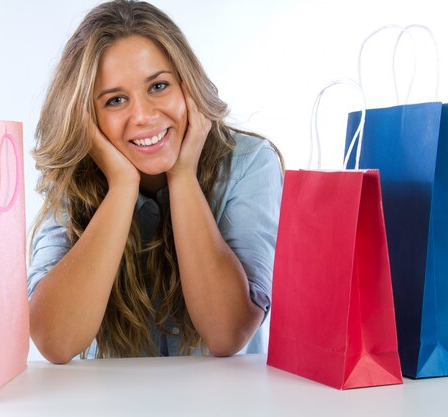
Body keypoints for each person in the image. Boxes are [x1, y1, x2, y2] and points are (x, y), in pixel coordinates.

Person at [27, 0, 283, 364]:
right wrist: (121, 187)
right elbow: (55, 340)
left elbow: (227, 333)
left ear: (188, 87)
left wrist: (182, 175)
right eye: (115, 100)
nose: (144, 116)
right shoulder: (77, 175)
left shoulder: (249, 163)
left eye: (158, 86)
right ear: (85, 116)